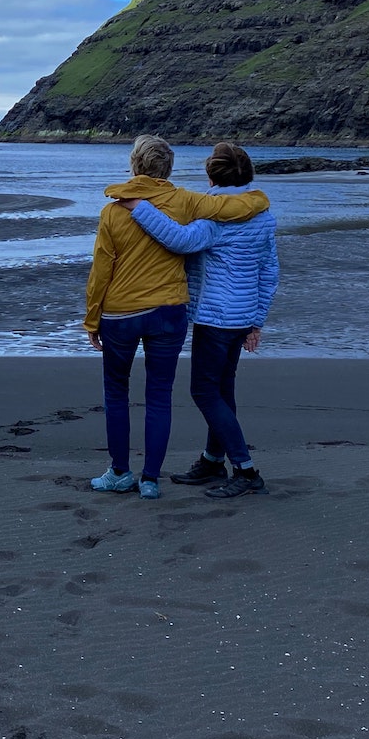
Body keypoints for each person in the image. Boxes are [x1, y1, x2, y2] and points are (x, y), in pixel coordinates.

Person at [85, 135, 270, 500]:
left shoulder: (113, 210)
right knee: (159, 395)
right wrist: (259, 199)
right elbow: (232, 211)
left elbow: (101, 271)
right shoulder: (187, 202)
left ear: (135, 165)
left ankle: (120, 471)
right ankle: (151, 479)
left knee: (116, 393)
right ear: (167, 168)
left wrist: (92, 318)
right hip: (170, 312)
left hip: (122, 312)